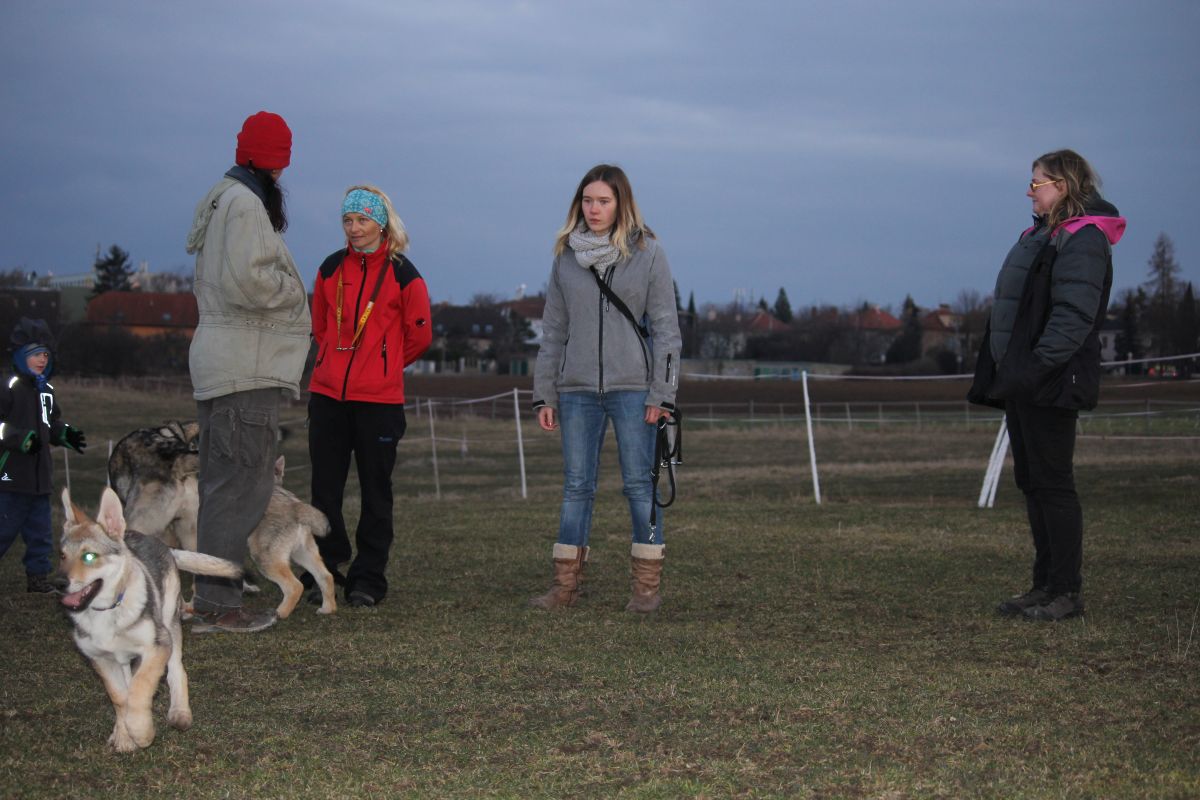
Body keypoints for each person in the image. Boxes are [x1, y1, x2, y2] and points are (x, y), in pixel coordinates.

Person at [968, 149, 1125, 622]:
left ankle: (1066, 591)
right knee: (1032, 481)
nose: (1030, 191)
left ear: (1064, 185)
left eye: (1037, 183)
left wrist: (1036, 367)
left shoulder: (1082, 240)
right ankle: (1043, 585)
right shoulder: (1042, 235)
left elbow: (1073, 316)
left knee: (1054, 484)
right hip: (1024, 376)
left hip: (1049, 378)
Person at [530, 164, 682, 613]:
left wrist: (663, 394)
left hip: (635, 390)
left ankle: (646, 590)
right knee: (577, 487)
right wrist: (545, 392)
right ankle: (564, 588)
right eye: (587, 200)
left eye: (604, 201)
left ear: (621, 204)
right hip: (576, 390)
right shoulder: (564, 257)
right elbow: (553, 331)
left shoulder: (648, 253)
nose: (594, 209)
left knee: (641, 486)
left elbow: (668, 332)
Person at [184, 111, 311, 632]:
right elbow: (252, 284)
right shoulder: (245, 206)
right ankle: (221, 605)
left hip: (225, 360)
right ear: (275, 160)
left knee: (222, 486)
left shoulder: (222, 200)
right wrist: (294, 293)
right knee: (241, 488)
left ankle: (214, 599)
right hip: (246, 366)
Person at [306, 185, 432, 608]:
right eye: (347, 220)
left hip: (379, 402)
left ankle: (368, 578)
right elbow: (321, 325)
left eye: (362, 220)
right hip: (328, 396)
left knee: (376, 493)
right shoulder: (329, 268)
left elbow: (420, 335)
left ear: (381, 223)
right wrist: (332, 362)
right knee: (324, 491)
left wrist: (384, 364)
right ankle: (325, 567)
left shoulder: (403, 274)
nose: (354, 228)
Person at [0, 318, 86, 593]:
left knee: (42, 536)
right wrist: (19, 438)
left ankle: (37, 578)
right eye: (35, 354)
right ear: (19, 355)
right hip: (10, 479)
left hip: (39, 481)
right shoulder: (8, 388)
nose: (41, 359)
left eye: (45, 354)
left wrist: (65, 434)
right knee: (3, 532)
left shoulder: (46, 391)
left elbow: (52, 424)